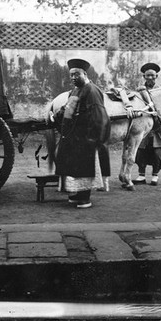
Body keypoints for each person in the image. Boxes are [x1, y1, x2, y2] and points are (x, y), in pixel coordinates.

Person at [53, 58, 110, 208]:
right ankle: (77, 194)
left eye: (76, 74)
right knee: (74, 167)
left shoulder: (92, 90)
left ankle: (85, 198)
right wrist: (57, 115)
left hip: (85, 137)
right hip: (72, 136)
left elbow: (99, 116)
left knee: (85, 168)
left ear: (84, 74)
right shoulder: (75, 90)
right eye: (71, 75)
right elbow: (68, 107)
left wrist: (94, 138)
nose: (73, 78)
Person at [128, 62, 161, 187]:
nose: (150, 78)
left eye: (153, 75)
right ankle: (141, 175)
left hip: (158, 127)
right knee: (141, 151)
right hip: (144, 125)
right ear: (144, 77)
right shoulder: (139, 91)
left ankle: (155, 176)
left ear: (156, 76)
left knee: (157, 153)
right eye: (148, 76)